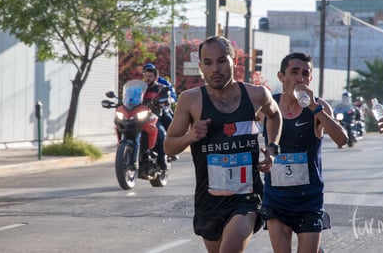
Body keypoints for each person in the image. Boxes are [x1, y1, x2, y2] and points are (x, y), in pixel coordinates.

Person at [163, 35, 283, 253]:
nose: (215, 68)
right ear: (201, 66)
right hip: (209, 199)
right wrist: (190, 136)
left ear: (234, 62)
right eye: (208, 63)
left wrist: (273, 148)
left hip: (246, 197)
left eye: (221, 61)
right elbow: (168, 146)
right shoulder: (191, 100)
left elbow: (275, 115)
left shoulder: (256, 94)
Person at [262, 52, 348, 253]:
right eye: (294, 72)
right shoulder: (267, 106)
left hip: (309, 199)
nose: (300, 78)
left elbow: (342, 140)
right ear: (281, 76)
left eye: (305, 73)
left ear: (310, 78)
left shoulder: (319, 107)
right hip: (276, 197)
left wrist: (314, 107)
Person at [142, 63, 169, 171]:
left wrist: (163, 101)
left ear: (156, 77)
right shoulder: (140, 88)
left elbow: (166, 98)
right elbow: (130, 99)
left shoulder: (160, 88)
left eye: (150, 76)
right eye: (146, 75)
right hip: (140, 117)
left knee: (161, 133)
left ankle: (162, 159)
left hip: (154, 116)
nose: (147, 78)